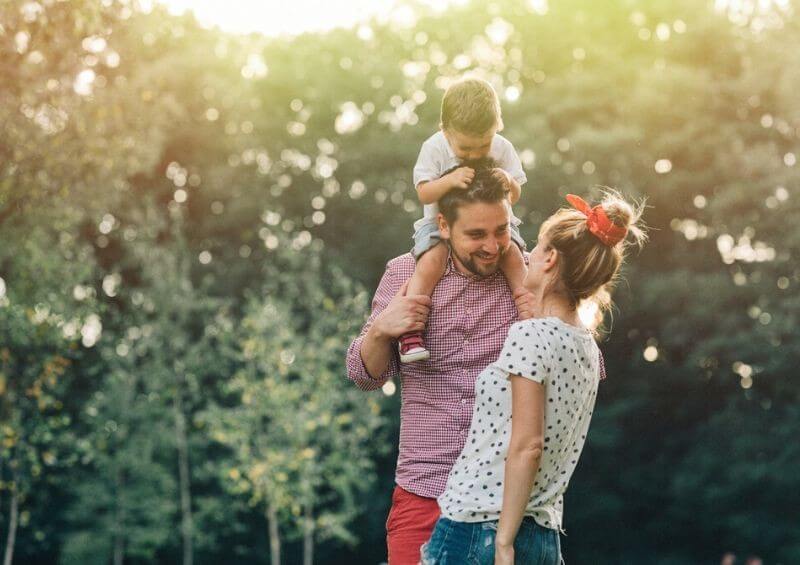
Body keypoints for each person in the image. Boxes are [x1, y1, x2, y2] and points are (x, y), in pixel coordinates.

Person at [421, 192, 646, 565]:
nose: (526, 255)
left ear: (550, 258)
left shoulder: (530, 335)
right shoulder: (588, 349)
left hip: (482, 529)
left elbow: (528, 445)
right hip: (544, 538)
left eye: (538, 247)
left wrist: (504, 543)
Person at [346, 164, 534, 565]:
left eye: (501, 230)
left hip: (503, 497)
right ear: (444, 226)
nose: (492, 245)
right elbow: (363, 375)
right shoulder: (404, 273)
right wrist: (381, 331)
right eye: (476, 234)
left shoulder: (530, 278)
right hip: (424, 489)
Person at [398, 76, 528, 363]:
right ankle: (410, 333)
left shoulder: (503, 148)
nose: (473, 155)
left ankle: (530, 315)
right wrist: (451, 179)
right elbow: (424, 193)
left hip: (496, 221)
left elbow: (515, 195)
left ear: (497, 128)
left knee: (515, 258)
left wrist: (507, 180)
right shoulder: (434, 148)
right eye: (465, 149)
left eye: (482, 147)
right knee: (430, 263)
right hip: (437, 225)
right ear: (445, 130)